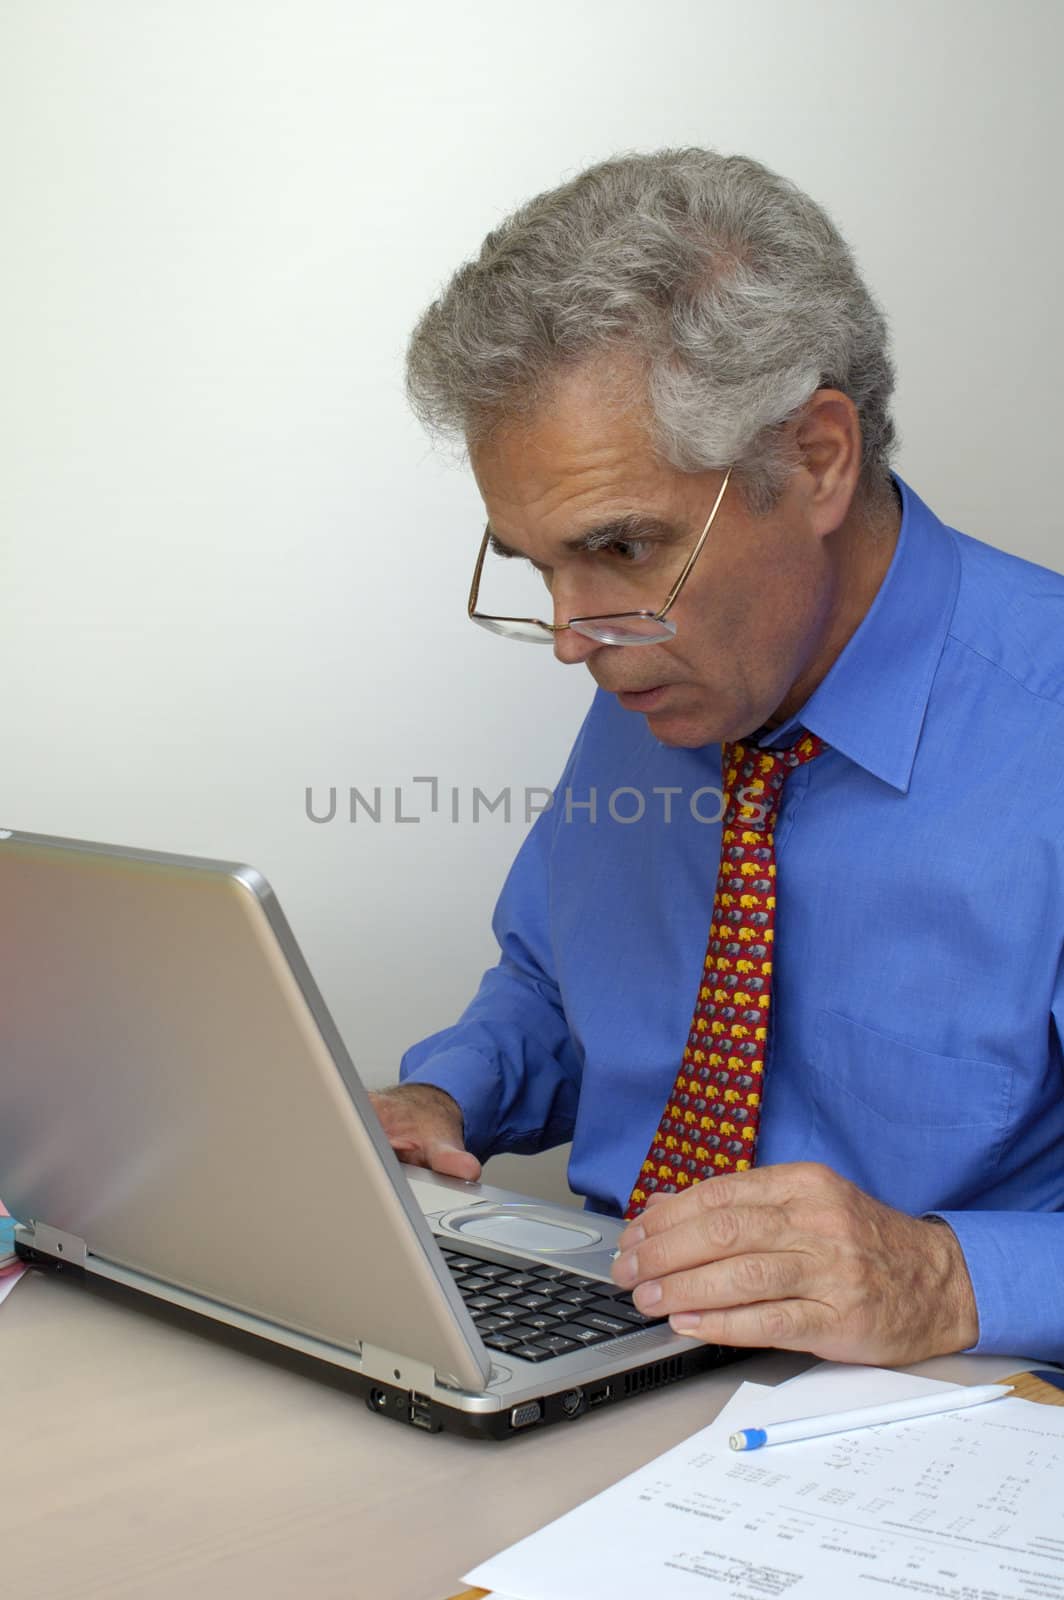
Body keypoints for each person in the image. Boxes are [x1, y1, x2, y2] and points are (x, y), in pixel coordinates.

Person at [370, 148, 1064, 1367]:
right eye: (536, 565)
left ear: (813, 460)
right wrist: (445, 1096)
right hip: (619, 1365)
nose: (571, 638)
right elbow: (560, 986)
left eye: (622, 547)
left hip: (941, 1429)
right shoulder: (666, 674)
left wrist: (945, 1277)